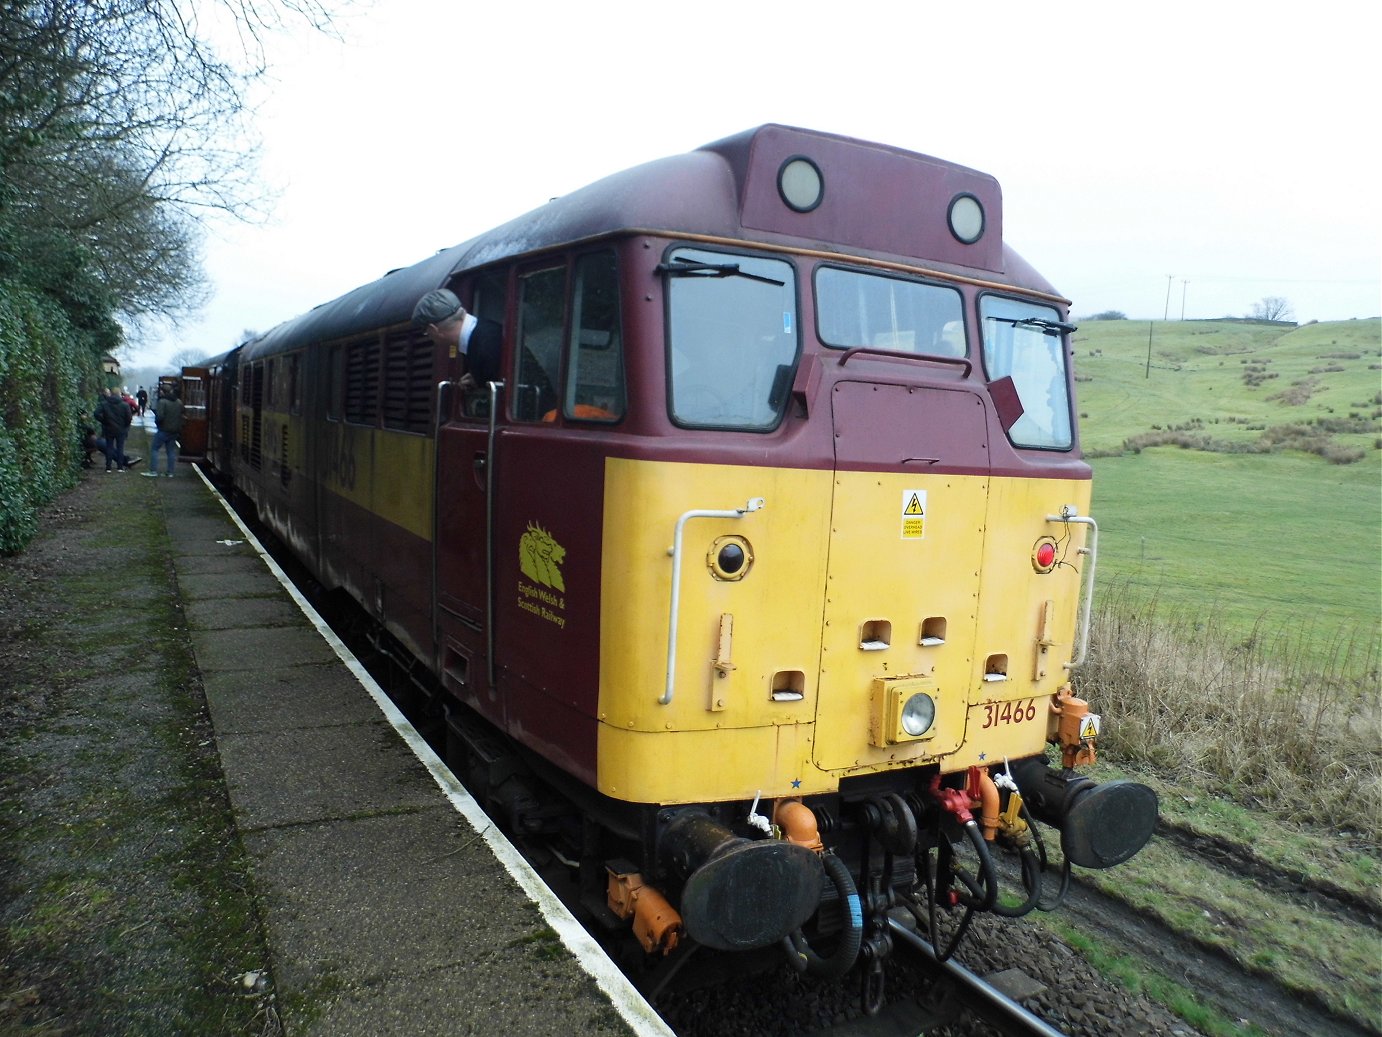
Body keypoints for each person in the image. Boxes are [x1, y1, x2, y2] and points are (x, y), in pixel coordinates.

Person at [412, 288, 501, 389]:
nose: (428, 336)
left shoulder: (487, 343)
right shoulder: (484, 334)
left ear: (434, 329)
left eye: (426, 331)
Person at [144, 385, 184, 477]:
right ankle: (170, 472)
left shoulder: (162, 402)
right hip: (174, 431)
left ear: (163, 392)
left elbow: (160, 416)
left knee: (154, 449)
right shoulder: (179, 402)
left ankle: (153, 471)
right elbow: (182, 413)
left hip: (163, 430)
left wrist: (158, 423)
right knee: (170, 451)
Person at [95, 388, 135, 472]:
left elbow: (96, 413)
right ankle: (120, 467)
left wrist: (104, 421)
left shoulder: (104, 404)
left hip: (108, 428)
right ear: (119, 394)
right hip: (121, 429)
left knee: (109, 447)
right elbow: (129, 418)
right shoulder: (124, 405)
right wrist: (125, 425)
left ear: (111, 394)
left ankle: (108, 467)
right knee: (120, 447)